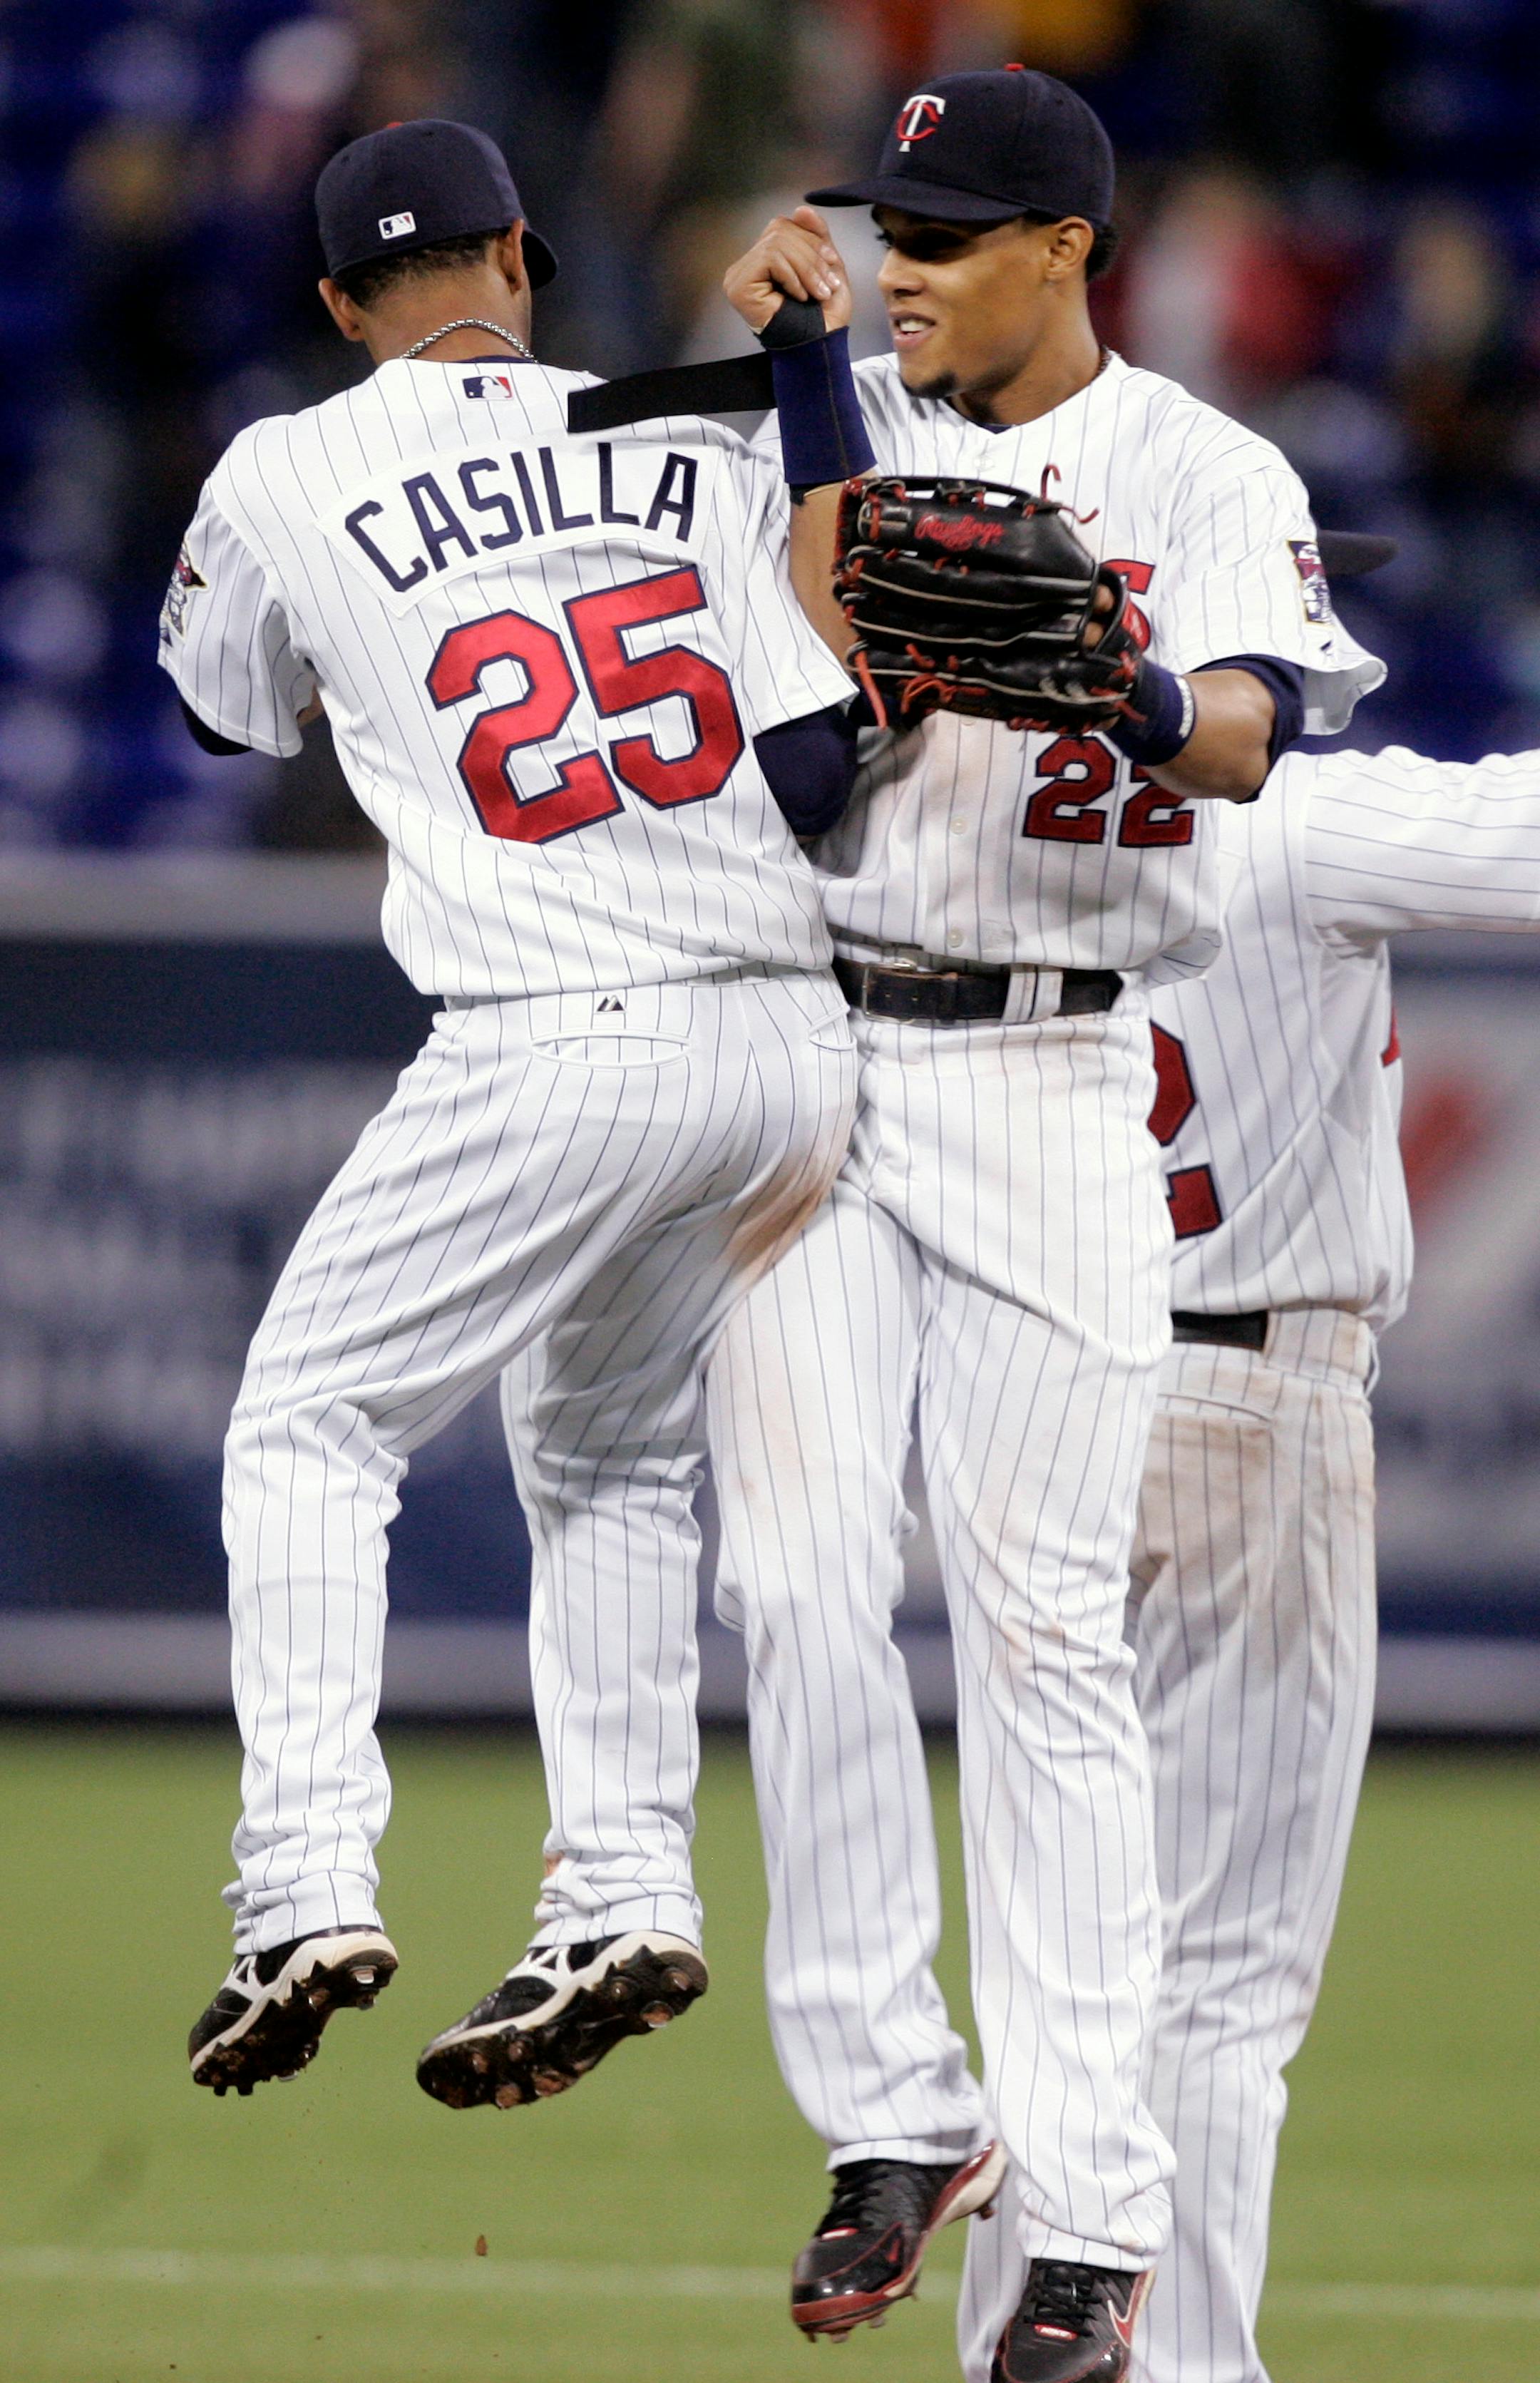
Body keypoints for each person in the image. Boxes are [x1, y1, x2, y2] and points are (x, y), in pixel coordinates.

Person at [700, 66, 1380, 2383]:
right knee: (792, 1571)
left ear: (1069, 244)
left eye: (955, 231)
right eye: (890, 223)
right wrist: (817, 429)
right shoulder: (835, 418)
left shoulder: (1206, 472)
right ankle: (898, 2113)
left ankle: (1091, 2233)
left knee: (1043, 1634)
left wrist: (1114, 671)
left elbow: (1257, 734)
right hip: (832, 1055)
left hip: (1065, 1066)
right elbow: (797, 778)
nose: (905, 260)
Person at [165, 117, 862, 2103]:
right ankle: (626, 1883)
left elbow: (229, 708)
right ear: (523, 259)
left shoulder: (285, 465)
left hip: (556, 1014)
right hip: (781, 1040)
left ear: (334, 305)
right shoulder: (683, 433)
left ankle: (301, 1881)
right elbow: (817, 728)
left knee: (309, 1421)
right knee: (612, 1450)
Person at [960, 712, 1540, 2383]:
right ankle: (1188, 2366)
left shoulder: (976, 834)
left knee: (1065, 1960)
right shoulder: (1299, 811)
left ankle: (1025, 2346)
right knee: (1215, 1980)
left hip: (1034, 1409)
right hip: (1247, 1394)